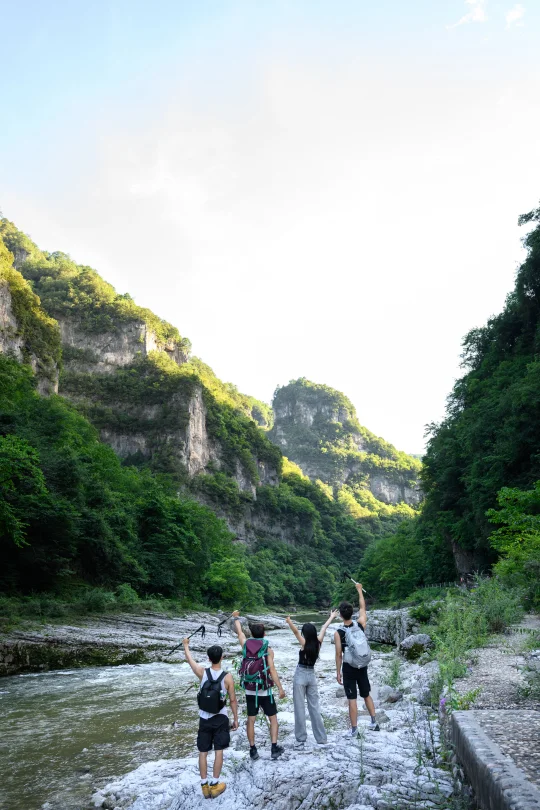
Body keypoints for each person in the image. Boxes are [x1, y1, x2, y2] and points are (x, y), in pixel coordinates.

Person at [183, 637, 239, 799]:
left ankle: (204, 785)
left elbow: (189, 659)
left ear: (208, 658)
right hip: (220, 718)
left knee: (203, 751)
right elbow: (233, 700)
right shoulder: (227, 677)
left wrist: (186, 645)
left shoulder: (202, 672)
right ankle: (215, 784)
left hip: (204, 718)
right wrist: (235, 719)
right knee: (219, 750)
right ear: (222, 657)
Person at [231, 610, 286, 761]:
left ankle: (253, 749)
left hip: (250, 690)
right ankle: (274, 748)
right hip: (265, 691)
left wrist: (236, 617)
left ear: (252, 634)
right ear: (264, 634)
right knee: (273, 719)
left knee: (251, 720)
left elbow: (240, 633)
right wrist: (280, 688)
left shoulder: (245, 644)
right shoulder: (267, 650)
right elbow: (272, 670)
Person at [285, 609, 339, 747]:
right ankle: (321, 738)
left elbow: (295, 632)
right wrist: (332, 616)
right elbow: (324, 627)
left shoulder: (304, 643)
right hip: (312, 676)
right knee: (314, 707)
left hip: (300, 675)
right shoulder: (318, 642)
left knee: (299, 707)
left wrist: (289, 621)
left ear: (305, 634)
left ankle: (301, 737)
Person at [334, 582, 380, 735]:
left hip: (349, 667)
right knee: (366, 694)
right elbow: (363, 608)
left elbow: (338, 654)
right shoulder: (360, 624)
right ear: (351, 613)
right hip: (362, 665)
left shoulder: (339, 632)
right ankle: (374, 722)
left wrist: (338, 672)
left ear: (340, 615)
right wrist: (359, 590)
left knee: (352, 699)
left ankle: (354, 730)